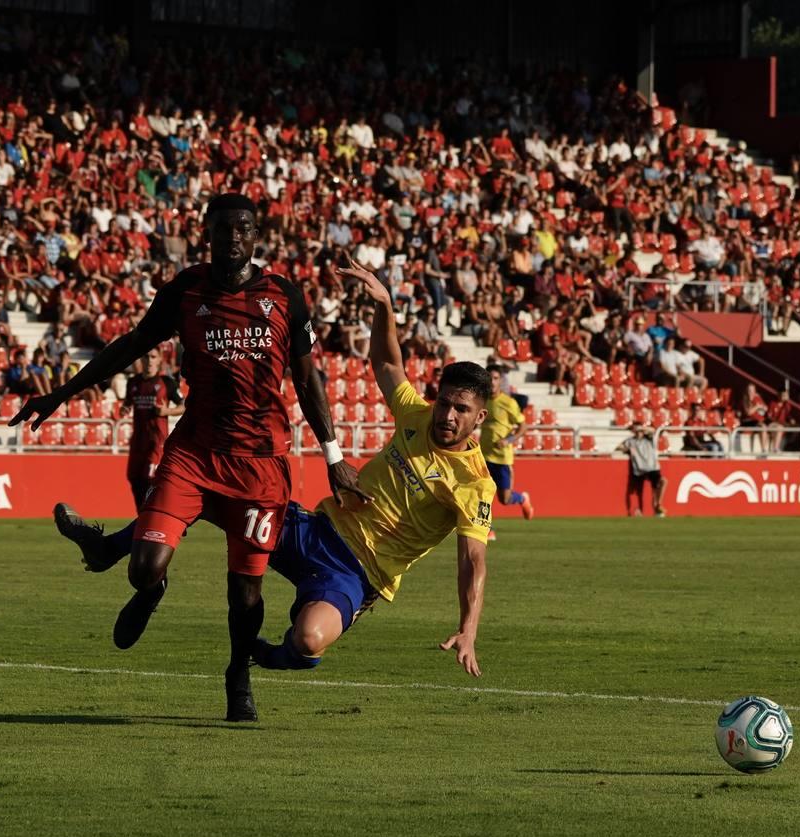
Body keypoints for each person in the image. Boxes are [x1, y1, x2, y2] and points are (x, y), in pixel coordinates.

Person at [54, 255, 497, 680]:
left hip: (358, 574)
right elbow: (386, 363)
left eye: (460, 409)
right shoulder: (417, 415)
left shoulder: (474, 483)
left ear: (479, 417)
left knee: (308, 639)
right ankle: (110, 548)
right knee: (211, 494)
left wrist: (469, 628)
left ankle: (261, 655)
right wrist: (384, 305)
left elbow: (473, 561)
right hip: (314, 531)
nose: (447, 416)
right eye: (444, 403)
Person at [11, 193, 366, 722]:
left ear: (256, 235)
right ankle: (149, 587)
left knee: (245, 594)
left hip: (260, 465)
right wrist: (61, 394)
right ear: (207, 233)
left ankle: (238, 674)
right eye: (223, 228)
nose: (234, 237)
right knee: (144, 569)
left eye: (243, 228)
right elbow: (129, 346)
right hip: (194, 454)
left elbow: (308, 379)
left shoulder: (284, 296)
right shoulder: (185, 291)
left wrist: (333, 454)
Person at [121, 348, 185, 509]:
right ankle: (142, 515)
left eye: (153, 357)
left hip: (157, 441)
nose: (149, 360)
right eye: (146, 357)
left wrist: (167, 411)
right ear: (141, 360)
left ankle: (157, 513)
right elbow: (127, 404)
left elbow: (184, 405)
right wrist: (124, 409)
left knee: (149, 479)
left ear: (159, 360)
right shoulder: (133, 382)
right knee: (134, 477)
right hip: (138, 440)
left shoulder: (167, 382)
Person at [480, 363, 534, 540]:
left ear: (500, 381)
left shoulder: (508, 403)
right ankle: (488, 529)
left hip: (502, 459)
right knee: (481, 493)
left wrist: (508, 440)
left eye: (495, 378)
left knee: (504, 499)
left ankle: (522, 499)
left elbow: (523, 426)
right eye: (489, 378)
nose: (492, 382)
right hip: (483, 456)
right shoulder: (481, 400)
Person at [617, 423, 666, 517]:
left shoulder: (649, 439)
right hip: (640, 469)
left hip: (653, 468)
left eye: (640, 430)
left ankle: (658, 505)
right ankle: (647, 510)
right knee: (636, 493)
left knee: (662, 482)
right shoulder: (631, 441)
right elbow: (618, 447)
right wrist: (627, 449)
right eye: (637, 430)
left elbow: (655, 430)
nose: (639, 432)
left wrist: (642, 428)